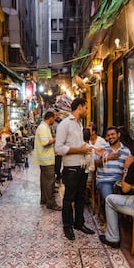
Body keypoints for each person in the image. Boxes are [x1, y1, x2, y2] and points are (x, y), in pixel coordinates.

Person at [55, 98, 95, 240]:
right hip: (71, 167)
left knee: (80, 197)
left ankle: (79, 223)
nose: (86, 110)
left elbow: (79, 145)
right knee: (69, 198)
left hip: (82, 166)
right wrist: (79, 150)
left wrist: (87, 148)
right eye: (86, 107)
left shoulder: (79, 124)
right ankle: (68, 226)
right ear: (79, 107)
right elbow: (58, 148)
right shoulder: (65, 124)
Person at [33, 111, 62, 211]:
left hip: (44, 158)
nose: (54, 121)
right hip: (46, 159)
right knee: (50, 181)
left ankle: (44, 199)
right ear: (50, 118)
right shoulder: (43, 128)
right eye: (54, 119)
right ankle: (51, 203)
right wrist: (56, 138)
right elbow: (45, 143)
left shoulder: (43, 127)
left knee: (45, 180)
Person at [95, 126, 131, 199]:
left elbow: (129, 168)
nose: (110, 137)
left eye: (112, 134)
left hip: (120, 181)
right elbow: (93, 163)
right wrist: (108, 158)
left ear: (118, 135)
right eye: (108, 135)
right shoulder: (102, 148)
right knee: (109, 198)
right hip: (105, 180)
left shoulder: (126, 151)